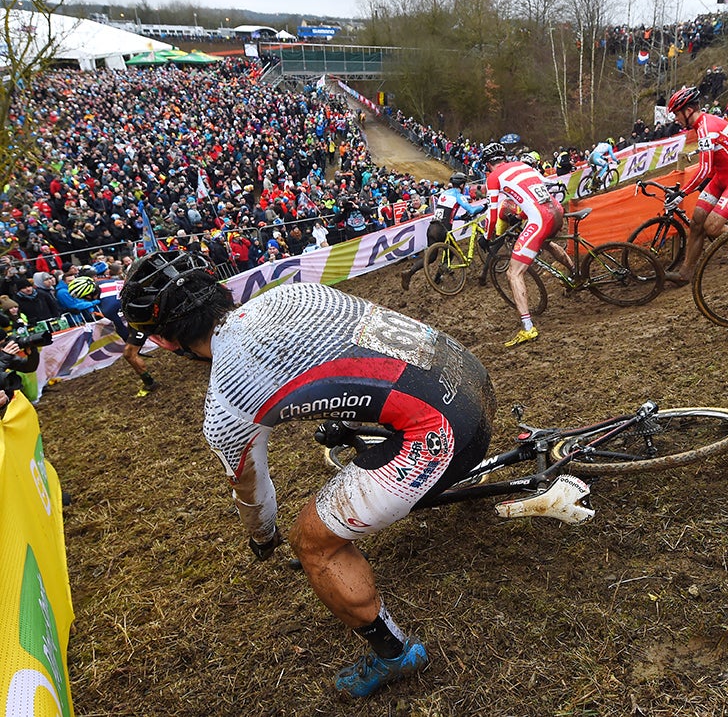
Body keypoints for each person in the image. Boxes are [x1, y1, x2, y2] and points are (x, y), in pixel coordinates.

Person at [120, 250, 497, 699]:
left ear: (164, 342)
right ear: (220, 288)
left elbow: (252, 493)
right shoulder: (292, 293)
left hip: (443, 432)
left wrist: (264, 538)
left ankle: (393, 655)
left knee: (310, 541)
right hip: (468, 373)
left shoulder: (225, 400)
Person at [482, 142, 573, 347]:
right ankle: (575, 273)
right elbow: (536, 193)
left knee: (513, 273)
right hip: (556, 210)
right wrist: (521, 215)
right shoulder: (523, 165)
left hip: (540, 219)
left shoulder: (493, 177)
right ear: (504, 158)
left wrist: (487, 237)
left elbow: (493, 213)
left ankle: (527, 327)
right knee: (546, 243)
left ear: (488, 165)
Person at [662, 85, 728, 284]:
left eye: (677, 114)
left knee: (711, 227)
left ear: (688, 111)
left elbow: (704, 169)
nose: (676, 119)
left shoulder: (705, 128)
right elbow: (711, 166)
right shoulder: (702, 125)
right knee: (696, 222)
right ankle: (685, 274)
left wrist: (682, 193)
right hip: (721, 177)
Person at [401, 172, 484, 290]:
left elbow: (446, 214)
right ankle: (440, 274)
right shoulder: (458, 195)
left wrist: (460, 217)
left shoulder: (444, 194)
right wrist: (484, 206)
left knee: (431, 257)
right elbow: (471, 209)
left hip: (432, 228)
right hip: (443, 229)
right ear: (461, 185)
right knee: (452, 250)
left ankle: (410, 272)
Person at [97, 262, 155, 397]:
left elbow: (122, 329)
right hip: (148, 301)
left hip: (144, 315)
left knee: (129, 354)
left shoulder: (107, 308)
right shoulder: (104, 283)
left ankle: (149, 382)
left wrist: (129, 342)